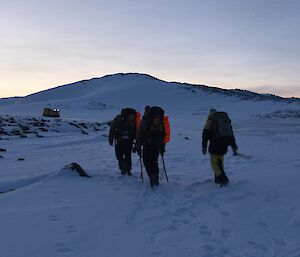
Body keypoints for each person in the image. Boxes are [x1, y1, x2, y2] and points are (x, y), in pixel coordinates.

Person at [202, 109, 238, 186]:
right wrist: (234, 147)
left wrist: (204, 147)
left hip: (215, 144)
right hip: (224, 145)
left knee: (214, 163)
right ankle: (218, 180)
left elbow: (205, 134)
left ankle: (222, 179)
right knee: (220, 161)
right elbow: (230, 134)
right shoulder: (225, 120)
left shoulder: (210, 119)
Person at [136, 106, 166, 187]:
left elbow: (139, 134)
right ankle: (155, 177)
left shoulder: (145, 121)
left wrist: (138, 146)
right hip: (157, 145)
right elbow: (163, 135)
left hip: (147, 145)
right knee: (154, 161)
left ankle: (152, 177)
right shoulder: (161, 122)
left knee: (147, 161)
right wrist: (162, 147)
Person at [109, 108, 139, 176]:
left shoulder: (118, 118)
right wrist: (137, 142)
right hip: (130, 140)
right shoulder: (134, 119)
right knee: (128, 155)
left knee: (119, 155)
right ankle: (128, 169)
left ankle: (123, 168)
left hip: (120, 140)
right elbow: (137, 130)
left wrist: (111, 139)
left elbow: (112, 129)